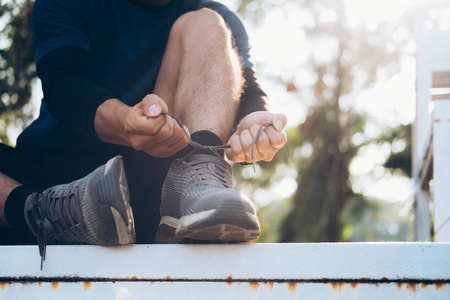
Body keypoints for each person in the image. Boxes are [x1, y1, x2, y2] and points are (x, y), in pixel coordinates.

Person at [0, 0, 287, 267]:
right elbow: (62, 83)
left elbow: (247, 90)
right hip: (42, 180)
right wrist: (126, 121)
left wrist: (253, 121)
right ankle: (40, 211)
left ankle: (201, 185)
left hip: (153, 195)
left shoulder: (218, 20)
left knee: (207, 24)